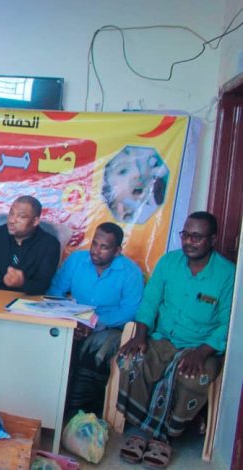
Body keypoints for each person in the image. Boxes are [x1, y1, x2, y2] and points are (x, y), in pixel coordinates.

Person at [116, 212, 234, 468]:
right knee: (133, 359)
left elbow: (228, 323)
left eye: (197, 237)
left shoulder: (227, 274)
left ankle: (165, 437)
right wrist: (140, 335)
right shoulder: (169, 262)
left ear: (212, 239)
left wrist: (201, 352)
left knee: (193, 376)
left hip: (202, 347)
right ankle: (141, 429)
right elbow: (150, 301)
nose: (189, 241)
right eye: (185, 235)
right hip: (163, 338)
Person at [47, 222, 144, 417]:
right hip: (73, 321)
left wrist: (95, 323)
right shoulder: (76, 261)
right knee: (51, 345)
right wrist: (70, 321)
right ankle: (50, 407)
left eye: (104, 247)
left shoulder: (130, 273)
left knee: (93, 353)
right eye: (94, 244)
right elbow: (55, 291)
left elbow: (131, 310)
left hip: (110, 327)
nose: (95, 251)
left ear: (117, 251)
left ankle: (77, 413)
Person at [102, 146, 168, 224]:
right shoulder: (109, 215)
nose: (137, 174)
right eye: (123, 171)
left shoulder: (151, 204)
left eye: (138, 167)